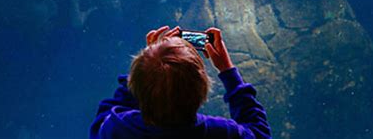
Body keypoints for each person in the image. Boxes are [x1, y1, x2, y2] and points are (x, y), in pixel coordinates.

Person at [90, 26, 272, 139]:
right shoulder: (222, 133)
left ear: (136, 86)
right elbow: (259, 133)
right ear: (203, 89)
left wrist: (150, 58)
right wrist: (227, 70)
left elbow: (103, 117)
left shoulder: (116, 129)